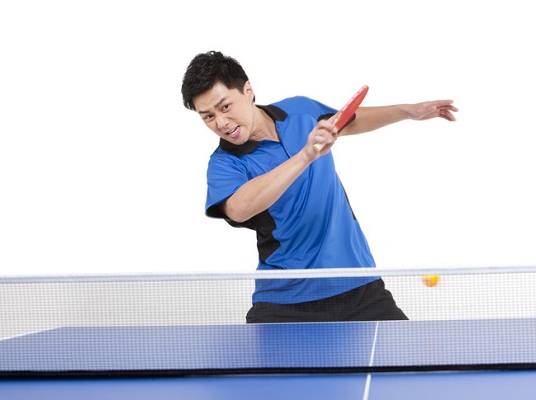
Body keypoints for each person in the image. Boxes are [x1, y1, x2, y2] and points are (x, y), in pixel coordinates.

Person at [181, 51, 458, 323]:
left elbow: (347, 120)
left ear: (248, 91)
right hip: (285, 300)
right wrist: (305, 155)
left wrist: (407, 111)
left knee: (407, 353)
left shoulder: (299, 111)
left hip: (356, 282)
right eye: (208, 116)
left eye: (225, 107)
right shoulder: (224, 164)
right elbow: (239, 208)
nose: (221, 123)